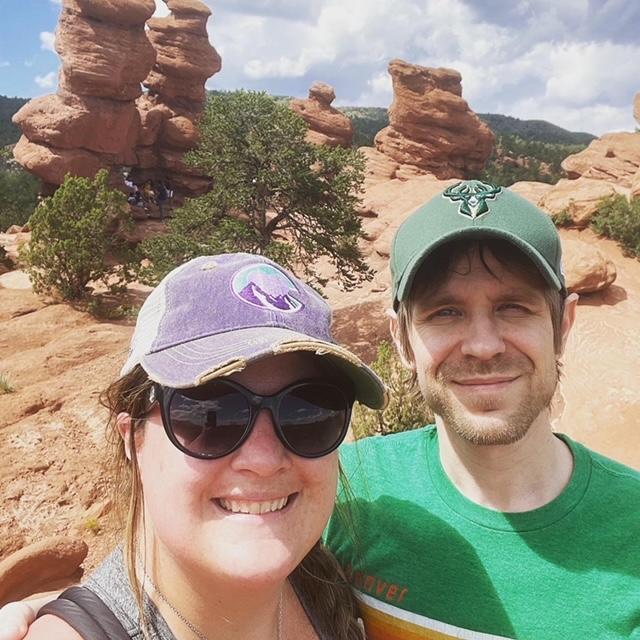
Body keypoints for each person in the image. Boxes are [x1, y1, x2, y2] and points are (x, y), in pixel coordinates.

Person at [6, 252, 385, 640]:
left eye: (310, 411)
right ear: (132, 439)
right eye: (210, 414)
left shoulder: (332, 584)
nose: (264, 459)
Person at [324, 180, 640, 639]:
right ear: (401, 339)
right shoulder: (347, 494)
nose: (484, 346)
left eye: (513, 307)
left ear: (563, 325)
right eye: (445, 312)